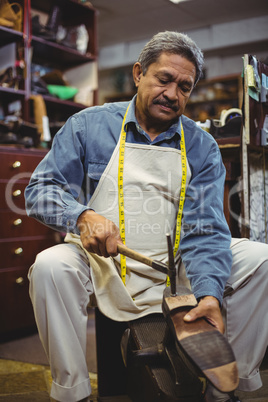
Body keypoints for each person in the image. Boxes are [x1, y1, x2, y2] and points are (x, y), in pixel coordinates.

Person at [25, 31, 268, 402]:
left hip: (175, 262)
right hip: (101, 261)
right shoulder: (88, 125)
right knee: (50, 266)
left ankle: (224, 385)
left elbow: (204, 230)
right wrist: (82, 216)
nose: (173, 94)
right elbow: (39, 190)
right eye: (164, 79)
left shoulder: (201, 146)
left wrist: (209, 295)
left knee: (262, 259)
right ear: (139, 73)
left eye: (184, 87)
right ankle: (72, 392)